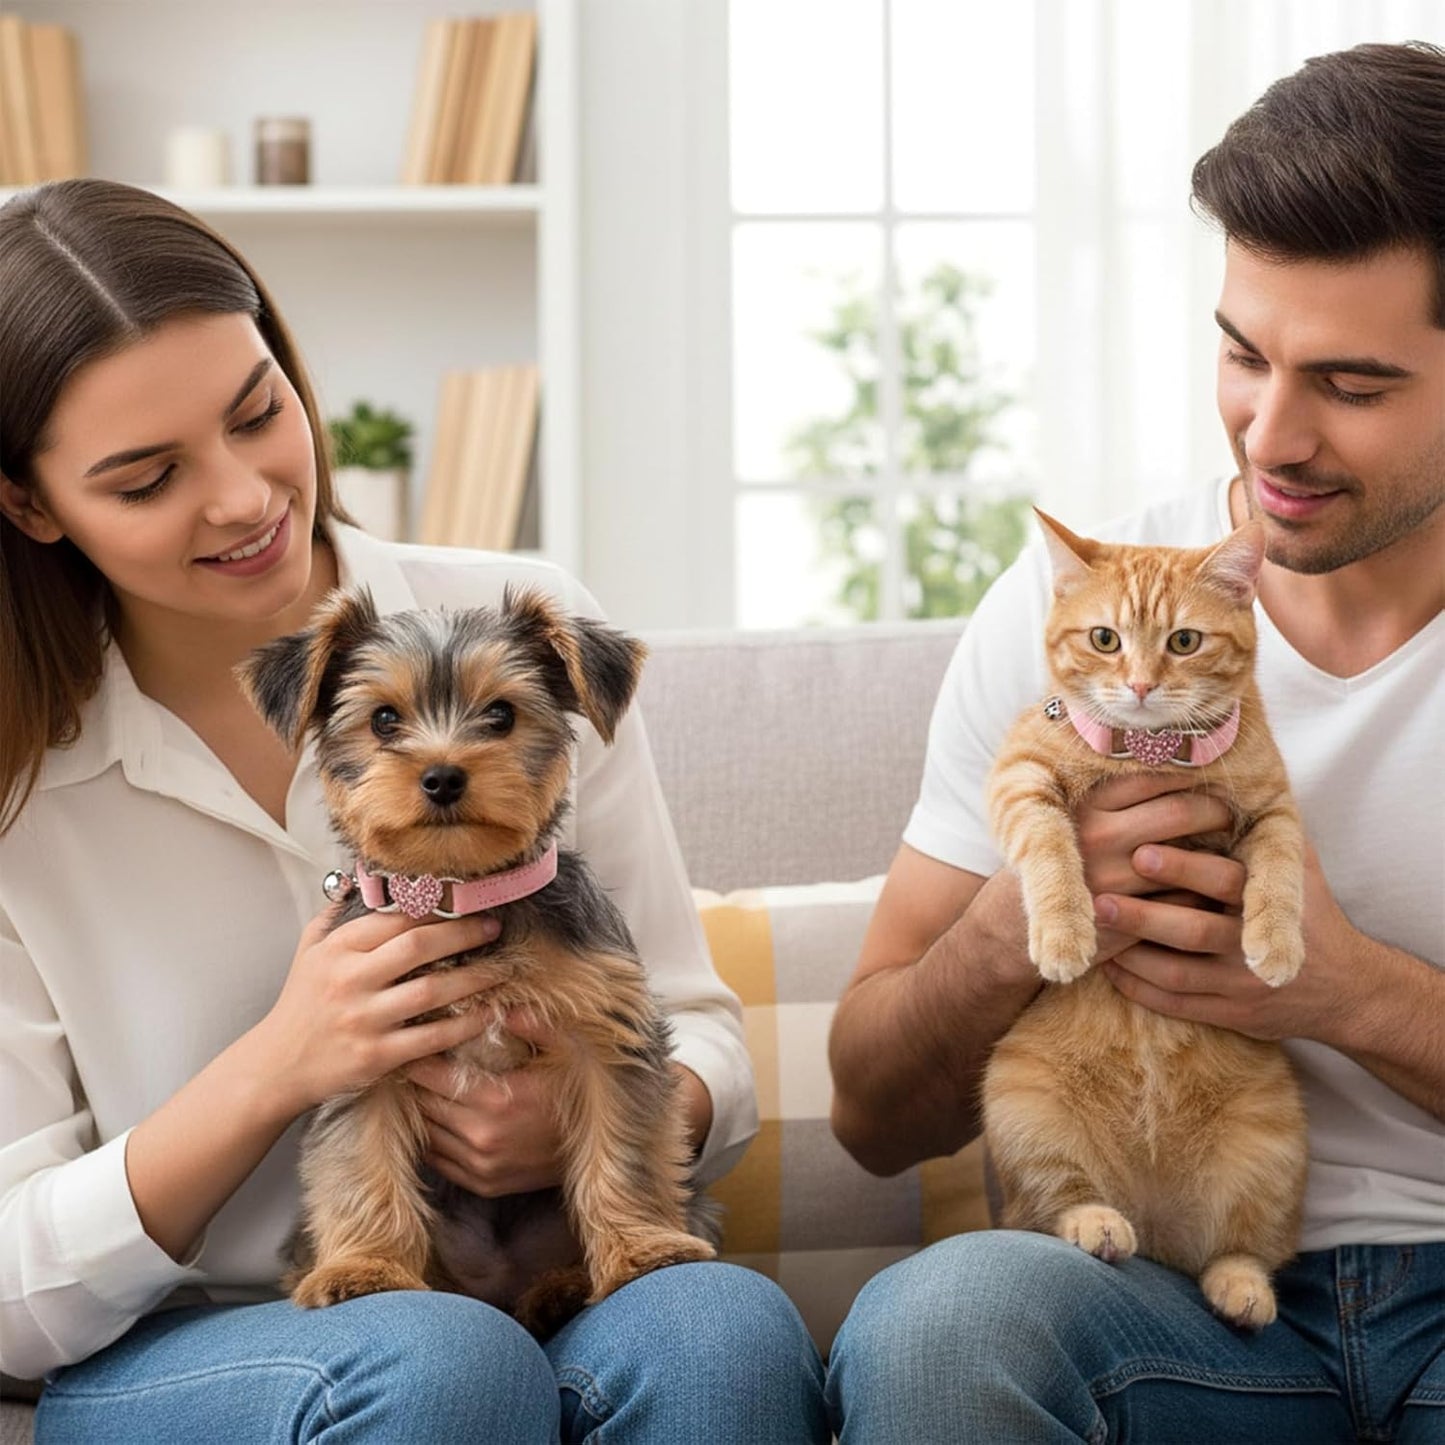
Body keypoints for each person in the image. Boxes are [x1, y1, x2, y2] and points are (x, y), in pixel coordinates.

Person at [0, 179, 829, 1444]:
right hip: (181, 1338)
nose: (243, 496)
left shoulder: (519, 617)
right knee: (437, 1363)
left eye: (257, 411)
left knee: (724, 1332)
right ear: (31, 503)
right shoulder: (18, 788)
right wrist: (276, 1065)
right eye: (149, 476)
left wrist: (569, 1111)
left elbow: (693, 1026)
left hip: (544, 1242)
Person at [826, 40, 1444, 1444]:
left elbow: (1340, 995)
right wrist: (1014, 927)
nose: (1267, 435)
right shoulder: (1084, 606)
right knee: (936, 1330)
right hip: (1150, 1284)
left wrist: (1348, 995)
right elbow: (869, 1109)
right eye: (1241, 354)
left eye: (1348, 384)